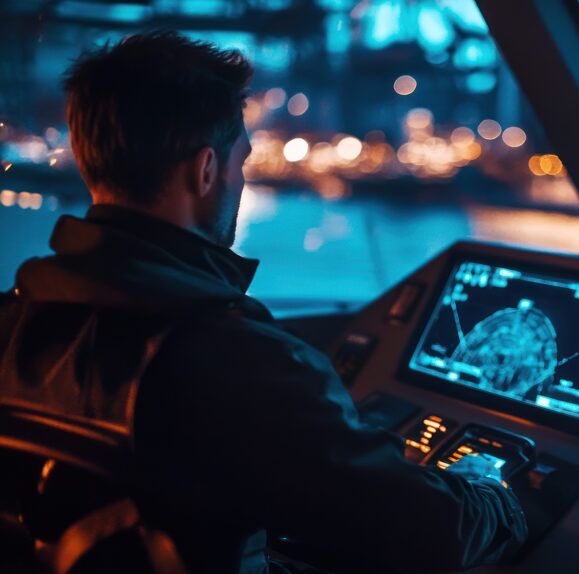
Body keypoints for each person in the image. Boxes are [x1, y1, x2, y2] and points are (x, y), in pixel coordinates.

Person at [0, 31, 526, 573]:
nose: (242, 180)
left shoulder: (11, 319)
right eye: (241, 161)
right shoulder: (236, 360)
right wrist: (490, 489)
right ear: (206, 170)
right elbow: (435, 532)